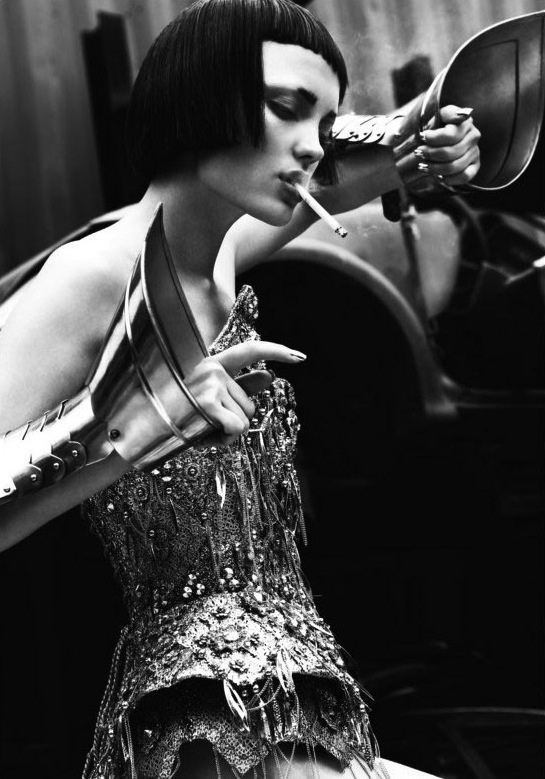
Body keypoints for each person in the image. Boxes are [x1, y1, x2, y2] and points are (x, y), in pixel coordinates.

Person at [0, 1, 481, 777]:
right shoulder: (94, 276)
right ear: (198, 100)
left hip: (293, 706)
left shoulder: (212, 257)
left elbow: (367, 163)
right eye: (286, 107)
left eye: (324, 124)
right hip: (200, 724)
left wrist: (424, 139)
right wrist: (125, 429)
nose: (312, 146)